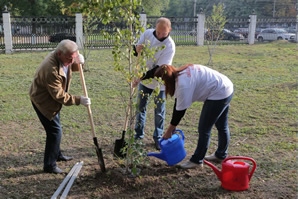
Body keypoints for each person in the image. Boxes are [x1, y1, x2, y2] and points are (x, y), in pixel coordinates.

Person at [154, 64, 234, 169]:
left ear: (167, 80)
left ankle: (197, 160)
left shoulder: (183, 85)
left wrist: (169, 130)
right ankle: (221, 155)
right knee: (221, 125)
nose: (163, 85)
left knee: (204, 128)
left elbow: (180, 111)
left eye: (163, 83)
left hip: (219, 92)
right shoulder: (180, 73)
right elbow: (178, 104)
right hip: (225, 85)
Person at [29, 39, 90, 174]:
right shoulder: (50, 69)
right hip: (43, 102)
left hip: (53, 100)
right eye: (69, 59)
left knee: (56, 129)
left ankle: (57, 154)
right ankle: (49, 165)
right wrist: (78, 100)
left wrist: (80, 62)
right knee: (55, 132)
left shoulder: (64, 58)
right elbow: (59, 96)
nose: (70, 61)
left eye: (72, 58)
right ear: (59, 54)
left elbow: (70, 66)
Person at [133, 17, 176, 150]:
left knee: (159, 111)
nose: (160, 35)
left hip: (160, 83)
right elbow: (136, 51)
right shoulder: (147, 34)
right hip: (144, 82)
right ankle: (138, 136)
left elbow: (159, 69)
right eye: (158, 32)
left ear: (170, 30)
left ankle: (158, 138)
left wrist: (140, 77)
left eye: (163, 33)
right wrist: (136, 49)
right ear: (155, 28)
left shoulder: (170, 45)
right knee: (140, 108)